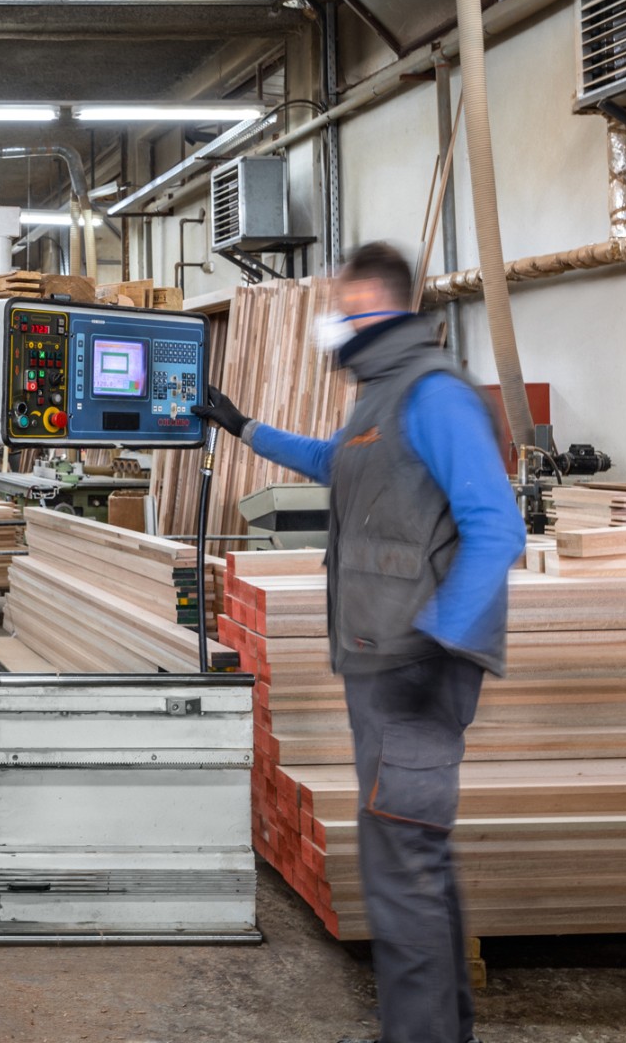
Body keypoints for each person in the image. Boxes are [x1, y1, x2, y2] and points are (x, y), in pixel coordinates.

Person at [192, 242, 526, 1043]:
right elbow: (333, 463)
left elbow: (496, 527)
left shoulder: (432, 394)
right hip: (387, 661)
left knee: (399, 867)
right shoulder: (382, 395)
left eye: (342, 308)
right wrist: (243, 428)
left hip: (414, 668)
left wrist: (441, 643)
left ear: (373, 303)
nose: (333, 324)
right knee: (414, 858)